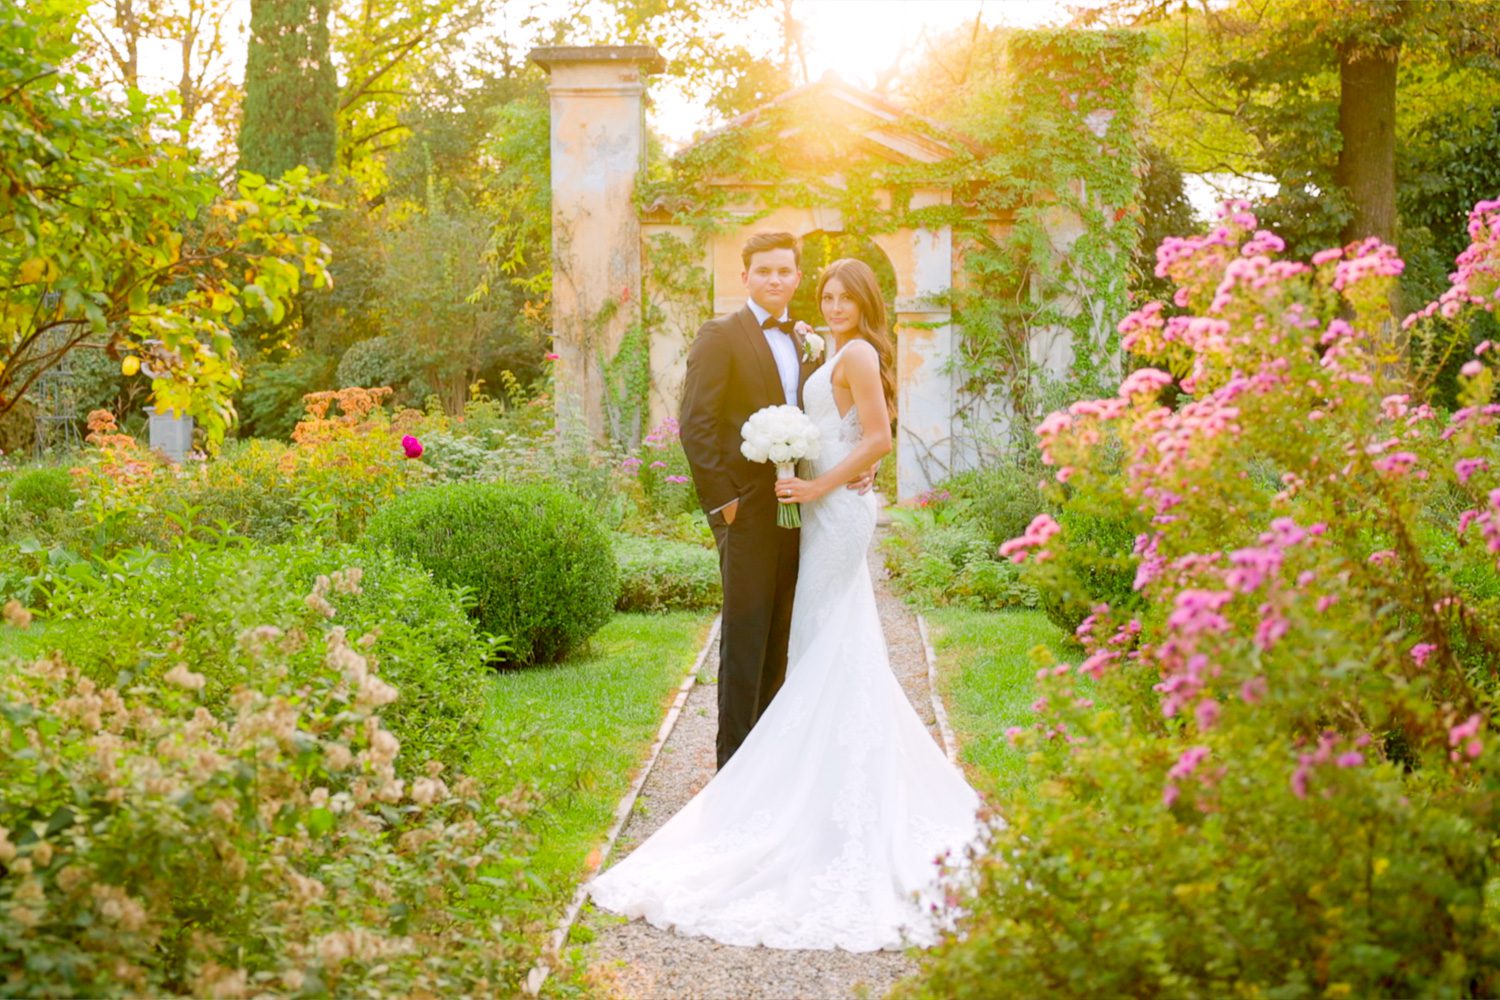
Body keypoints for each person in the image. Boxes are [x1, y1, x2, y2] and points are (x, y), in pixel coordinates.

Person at [589, 258, 981, 952]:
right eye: (824, 294)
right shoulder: (816, 346)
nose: (831, 305)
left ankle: (820, 797)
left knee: (824, 641)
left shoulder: (856, 350)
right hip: (811, 511)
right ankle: (798, 786)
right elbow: (714, 422)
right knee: (817, 644)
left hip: (831, 511)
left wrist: (820, 486)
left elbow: (879, 439)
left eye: (843, 296)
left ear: (864, 302)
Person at [676, 232, 872, 769]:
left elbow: (838, 413)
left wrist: (864, 457)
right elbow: (696, 426)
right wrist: (725, 506)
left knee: (787, 633)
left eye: (785, 271)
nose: (775, 280)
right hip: (748, 510)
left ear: (797, 276)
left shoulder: (809, 340)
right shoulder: (720, 336)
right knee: (746, 638)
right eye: (764, 271)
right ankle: (732, 769)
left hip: (806, 509)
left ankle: (772, 765)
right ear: (745, 277)